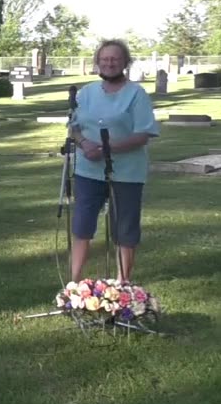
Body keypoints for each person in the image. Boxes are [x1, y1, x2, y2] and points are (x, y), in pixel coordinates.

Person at [68, 39, 160, 283]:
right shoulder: (86, 93)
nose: (109, 63)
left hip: (126, 172)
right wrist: (84, 143)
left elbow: (143, 134)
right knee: (82, 225)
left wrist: (107, 148)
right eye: (105, 59)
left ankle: (122, 284)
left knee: (125, 229)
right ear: (98, 62)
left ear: (125, 63)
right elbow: (74, 127)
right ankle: (74, 283)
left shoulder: (136, 95)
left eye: (115, 59)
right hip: (88, 170)